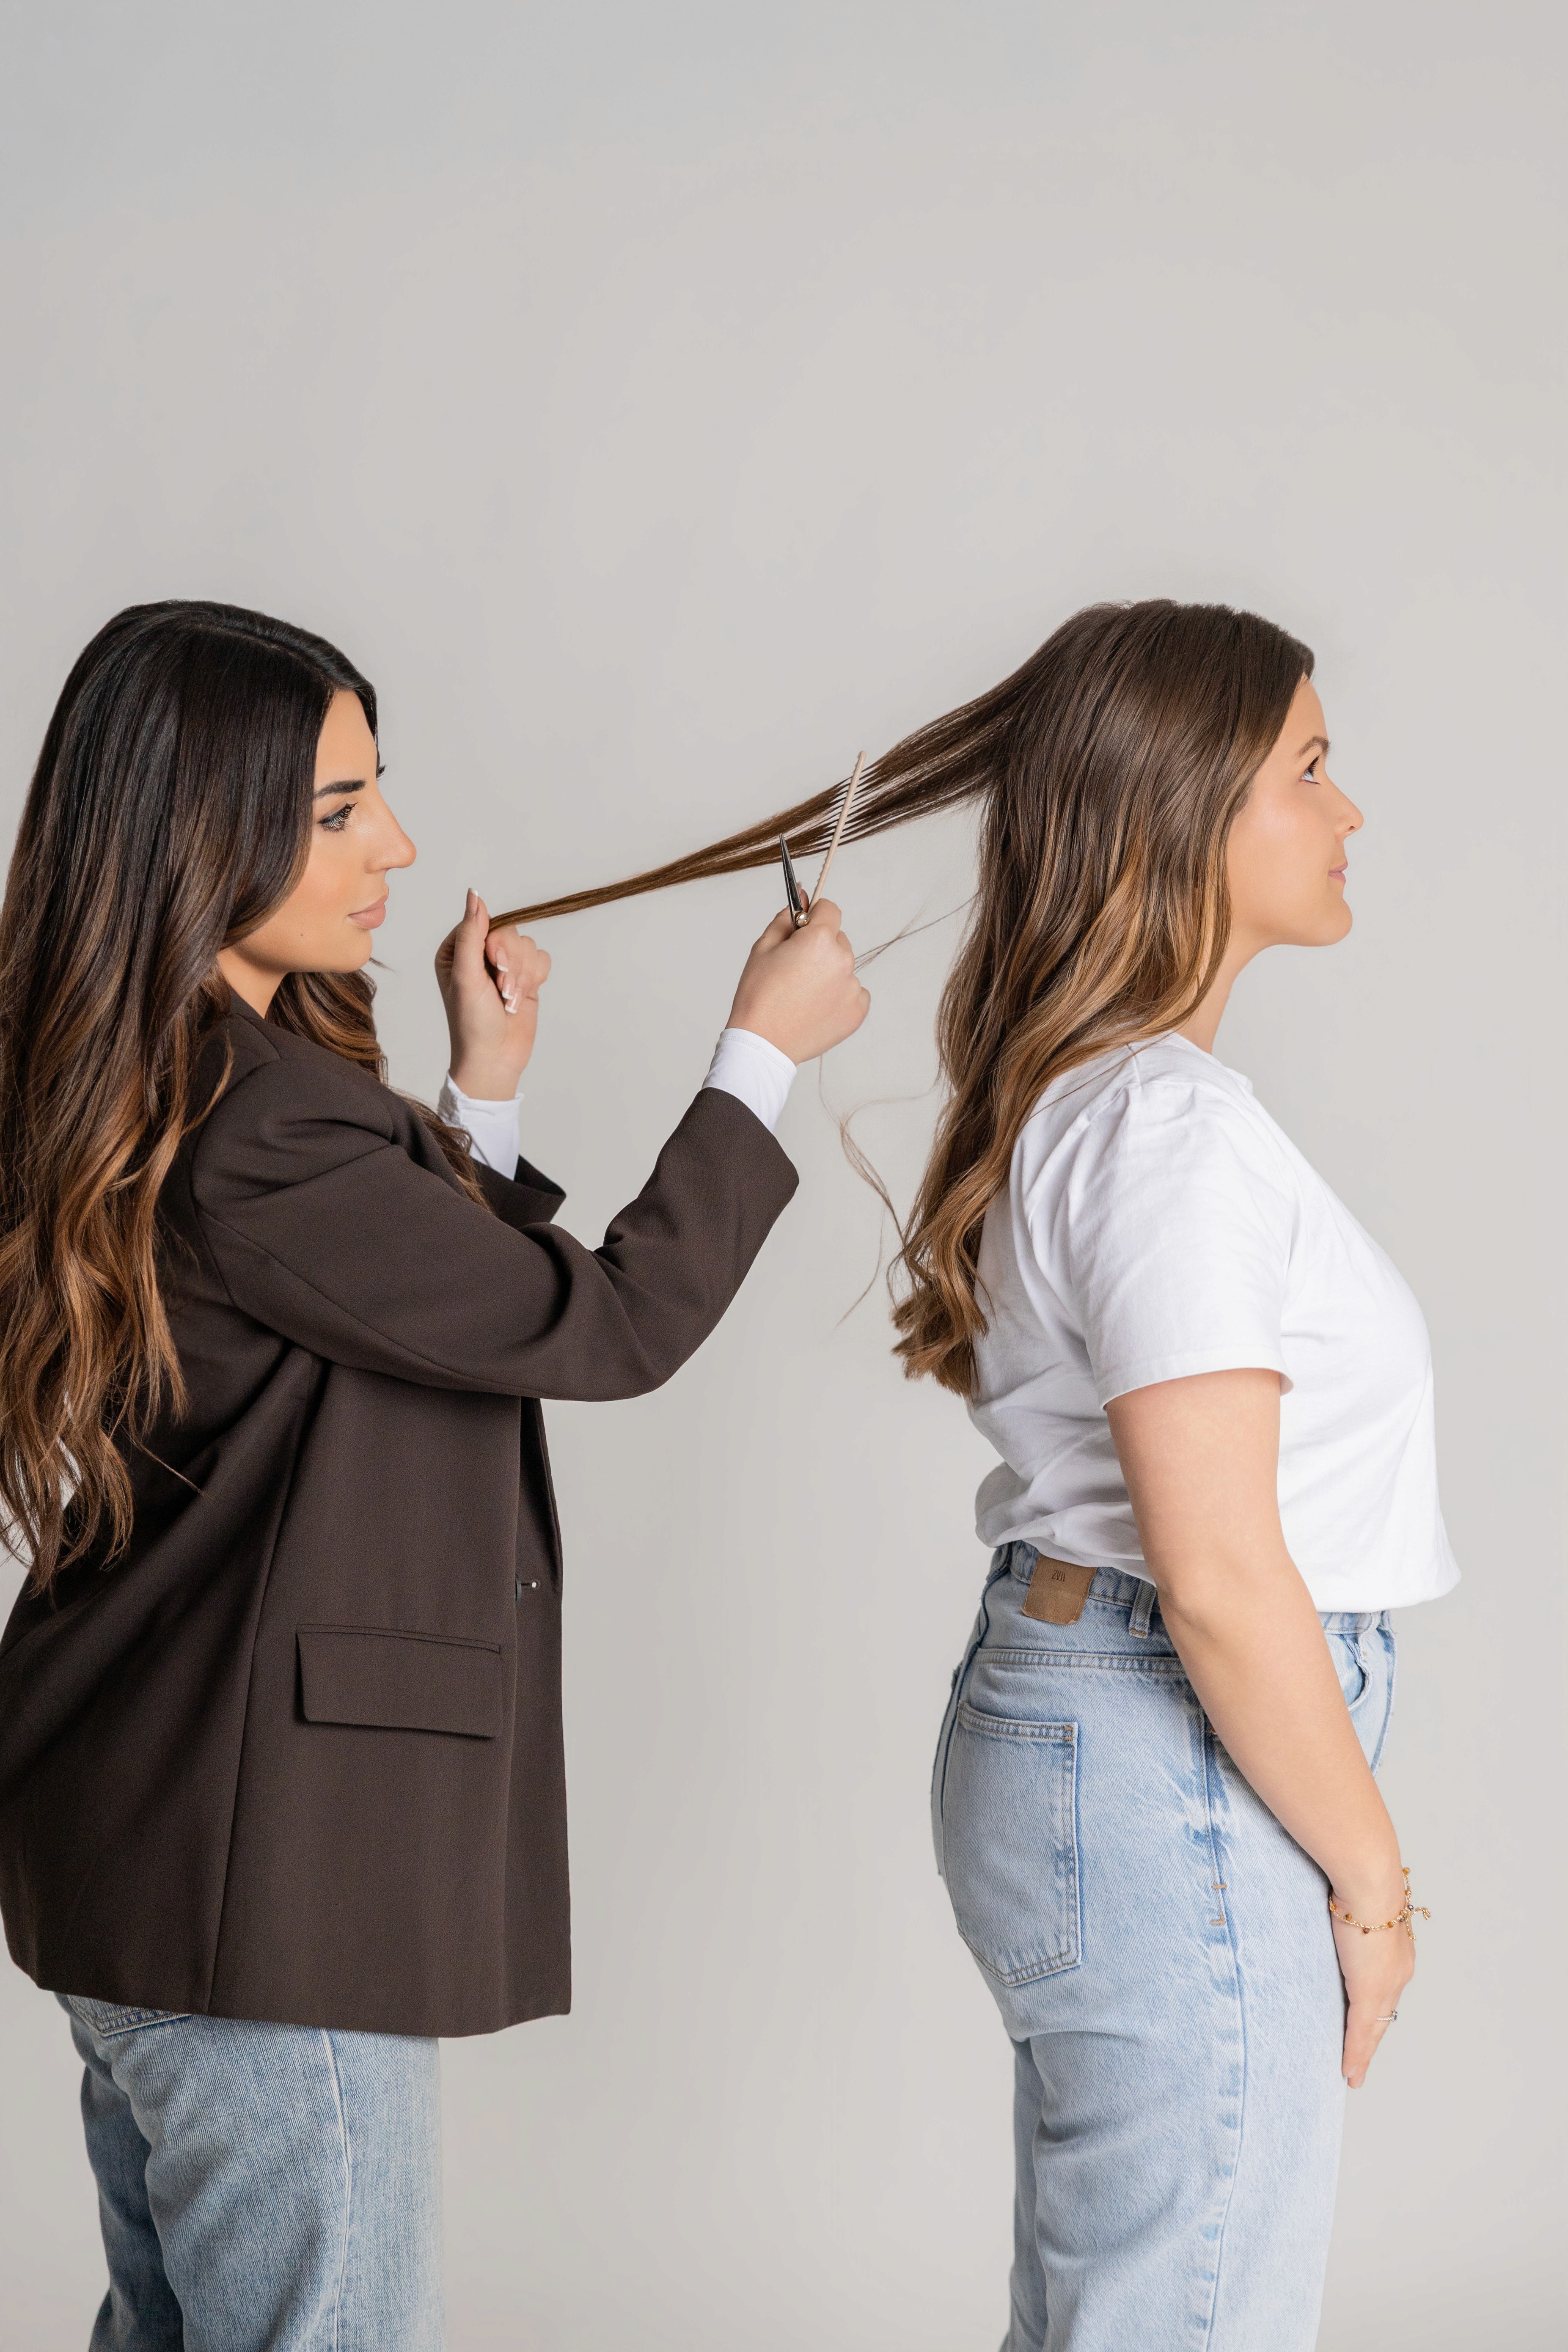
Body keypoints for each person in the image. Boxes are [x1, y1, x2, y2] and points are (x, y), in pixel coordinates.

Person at [506, 599, 1453, 2350]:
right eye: (1312, 768)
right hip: (1180, 1746)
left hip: (1114, 1735)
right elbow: (1229, 1575)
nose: (1352, 812)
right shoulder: (1167, 1131)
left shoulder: (1107, 1106)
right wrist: (1378, 1885)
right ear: (1185, 814)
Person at [0, 598, 869, 2350]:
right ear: (196, 826)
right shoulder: (266, 1123)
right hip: (268, 1905)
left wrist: (482, 1097)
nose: (394, 844)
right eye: (335, 810)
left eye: (375, 793)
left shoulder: (187, 1083)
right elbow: (608, 1325)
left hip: (158, 1856)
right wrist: (760, 1058)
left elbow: (392, 1318)